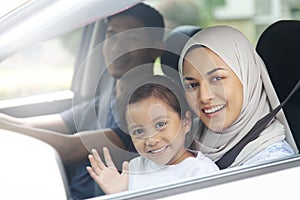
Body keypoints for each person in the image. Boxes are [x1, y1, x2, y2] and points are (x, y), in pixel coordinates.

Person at [0, 3, 164, 199]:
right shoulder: (105, 102)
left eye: (131, 39)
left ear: (156, 49)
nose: (116, 47)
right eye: (111, 35)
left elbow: (67, 148)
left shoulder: (153, 111)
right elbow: (25, 125)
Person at [178, 25, 298, 168]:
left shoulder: (273, 164)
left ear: (248, 79)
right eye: (192, 85)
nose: (204, 96)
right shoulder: (178, 141)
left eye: (217, 79)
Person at [86, 75, 219, 194]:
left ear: (186, 122)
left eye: (161, 124)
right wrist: (121, 194)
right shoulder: (135, 168)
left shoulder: (201, 172)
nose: (151, 140)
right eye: (138, 131)